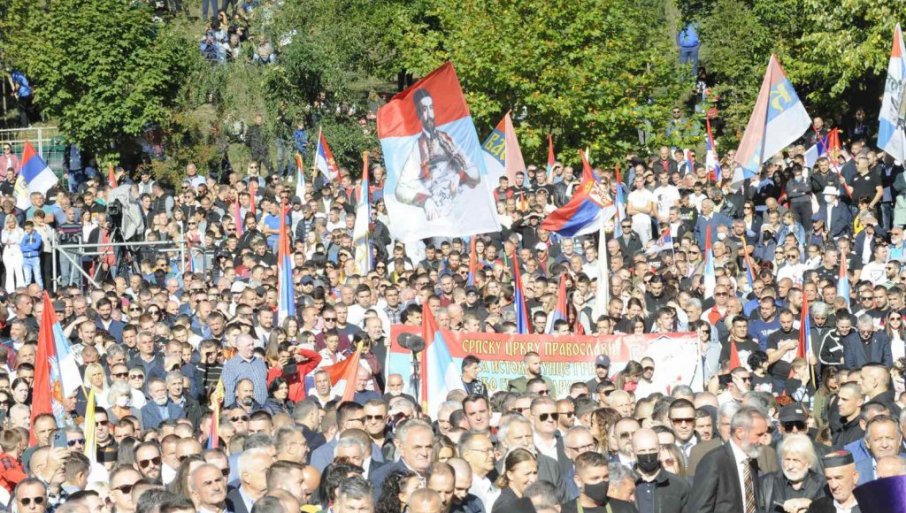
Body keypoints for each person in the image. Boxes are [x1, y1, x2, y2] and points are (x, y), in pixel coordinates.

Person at [394, 88, 481, 220]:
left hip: (461, 207)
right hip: (439, 211)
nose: (429, 114)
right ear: (418, 114)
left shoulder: (447, 139)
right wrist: (424, 200)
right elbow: (400, 190)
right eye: (424, 109)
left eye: (431, 108)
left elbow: (475, 173)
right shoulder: (417, 148)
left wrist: (460, 176)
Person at [689, 406, 768, 513]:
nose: (763, 441)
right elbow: (700, 509)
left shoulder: (751, 461)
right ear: (740, 432)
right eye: (759, 435)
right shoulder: (714, 462)